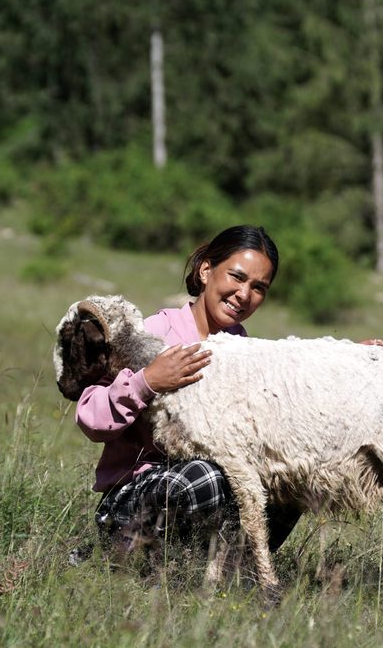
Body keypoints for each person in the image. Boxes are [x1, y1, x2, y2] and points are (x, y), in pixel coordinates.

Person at [75, 225, 300, 557]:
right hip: (134, 500)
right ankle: (116, 552)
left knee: (291, 479)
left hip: (210, 499)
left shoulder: (246, 354)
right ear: (206, 271)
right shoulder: (153, 333)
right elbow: (89, 418)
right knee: (204, 476)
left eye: (258, 287)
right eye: (236, 277)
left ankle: (224, 571)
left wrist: (355, 360)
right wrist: (146, 381)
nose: (244, 294)